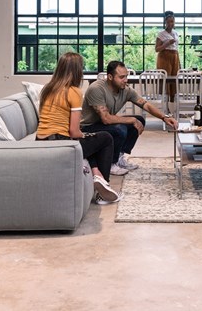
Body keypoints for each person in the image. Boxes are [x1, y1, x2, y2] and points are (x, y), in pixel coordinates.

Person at [35, 52, 122, 205]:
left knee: (88, 139)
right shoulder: (73, 92)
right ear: (77, 71)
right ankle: (102, 188)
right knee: (106, 138)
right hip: (61, 144)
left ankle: (96, 174)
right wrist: (83, 134)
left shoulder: (48, 89)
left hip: (40, 140)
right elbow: (74, 131)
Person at [81, 60, 178, 176]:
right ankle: (111, 164)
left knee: (139, 120)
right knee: (120, 128)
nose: (126, 80)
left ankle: (119, 157)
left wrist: (164, 117)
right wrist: (131, 120)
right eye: (121, 77)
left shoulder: (125, 90)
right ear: (110, 77)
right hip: (87, 127)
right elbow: (106, 119)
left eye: (126, 76)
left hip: (103, 124)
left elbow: (145, 104)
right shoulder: (96, 89)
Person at [155, 11, 180, 104]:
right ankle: (165, 104)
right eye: (169, 22)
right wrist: (167, 44)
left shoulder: (176, 33)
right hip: (164, 57)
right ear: (165, 22)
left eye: (172, 22)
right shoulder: (161, 34)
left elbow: (176, 47)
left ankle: (173, 104)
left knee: (174, 79)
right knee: (165, 79)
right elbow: (157, 49)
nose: (170, 24)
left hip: (175, 56)